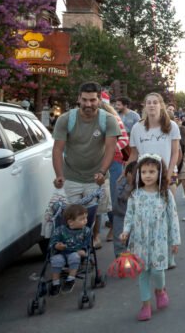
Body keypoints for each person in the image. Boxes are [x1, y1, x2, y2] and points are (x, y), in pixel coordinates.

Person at [52, 82, 120, 248]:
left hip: (97, 175)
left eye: (92, 100)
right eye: (84, 100)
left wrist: (102, 172)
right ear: (79, 99)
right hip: (72, 175)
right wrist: (59, 175)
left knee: (94, 211)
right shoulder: (65, 119)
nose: (88, 104)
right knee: (70, 214)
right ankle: (72, 246)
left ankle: (95, 236)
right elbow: (57, 149)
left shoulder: (108, 120)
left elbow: (110, 148)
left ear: (99, 100)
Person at [120, 154, 181, 321]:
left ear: (159, 173)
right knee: (143, 273)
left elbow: (173, 217)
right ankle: (145, 304)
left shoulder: (165, 195)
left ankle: (160, 290)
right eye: (144, 172)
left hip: (159, 241)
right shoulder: (135, 195)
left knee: (157, 271)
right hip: (139, 241)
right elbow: (129, 216)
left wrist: (175, 240)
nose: (147, 175)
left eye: (152, 172)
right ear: (139, 174)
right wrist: (125, 231)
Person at [128, 93, 181, 184]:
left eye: (155, 102)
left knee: (170, 193)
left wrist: (168, 176)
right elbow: (134, 154)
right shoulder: (136, 127)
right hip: (146, 175)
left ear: (161, 106)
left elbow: (175, 153)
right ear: (145, 106)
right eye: (148, 103)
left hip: (170, 172)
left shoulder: (172, 126)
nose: (151, 105)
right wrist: (126, 171)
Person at [99, 101, 129, 244]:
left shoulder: (113, 119)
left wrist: (110, 149)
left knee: (113, 195)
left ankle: (113, 227)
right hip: (95, 161)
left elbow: (124, 139)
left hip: (114, 161)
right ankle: (95, 234)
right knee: (97, 196)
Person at [48, 204, 90, 295]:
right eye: (82, 219)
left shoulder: (86, 231)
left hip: (76, 253)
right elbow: (53, 241)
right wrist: (57, 245)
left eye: (86, 218)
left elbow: (87, 243)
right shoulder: (60, 230)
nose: (85, 221)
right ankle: (55, 283)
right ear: (71, 222)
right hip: (60, 253)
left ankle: (70, 279)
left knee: (74, 256)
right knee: (56, 259)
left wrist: (84, 250)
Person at [111, 162, 136, 258]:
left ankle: (135, 260)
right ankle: (120, 260)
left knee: (134, 241)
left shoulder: (141, 185)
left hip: (135, 217)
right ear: (128, 174)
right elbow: (122, 197)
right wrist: (129, 185)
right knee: (120, 241)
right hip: (121, 216)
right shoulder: (121, 182)